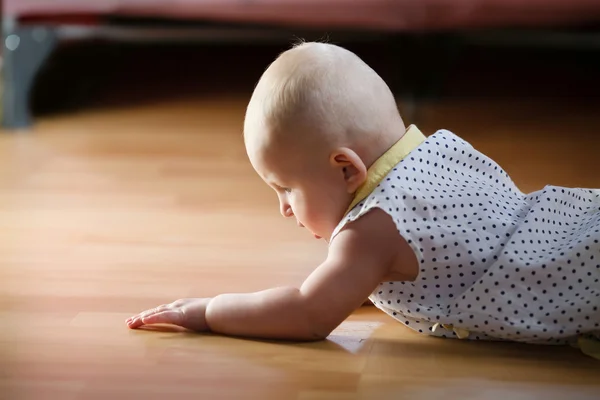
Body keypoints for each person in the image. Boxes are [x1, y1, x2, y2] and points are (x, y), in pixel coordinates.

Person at [126, 42, 599, 357]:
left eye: (286, 188)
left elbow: (309, 314)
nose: (284, 209)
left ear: (347, 169)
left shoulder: (372, 230)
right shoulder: (437, 149)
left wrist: (208, 312)